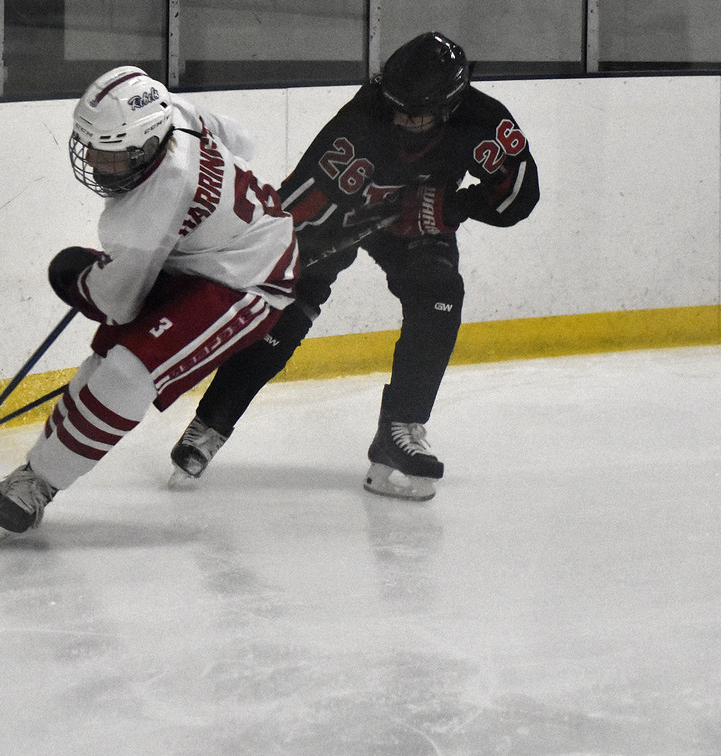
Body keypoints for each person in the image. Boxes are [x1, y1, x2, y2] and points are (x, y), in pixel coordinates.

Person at [168, 31, 540, 500]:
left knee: (440, 293)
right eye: (395, 105)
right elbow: (298, 205)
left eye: (416, 113)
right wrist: (259, 263)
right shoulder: (362, 121)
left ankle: (400, 429)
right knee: (285, 303)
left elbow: (520, 193)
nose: (400, 118)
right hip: (343, 215)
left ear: (450, 106)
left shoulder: (484, 121)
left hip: (419, 222)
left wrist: (453, 205)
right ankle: (211, 423)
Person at [0, 66, 299, 537]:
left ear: (147, 145)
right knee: (105, 365)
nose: (98, 165)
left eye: (112, 157)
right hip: (197, 258)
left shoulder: (146, 213)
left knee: (128, 372)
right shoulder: (177, 114)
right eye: (94, 150)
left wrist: (77, 279)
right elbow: (242, 142)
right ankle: (31, 478)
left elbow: (117, 304)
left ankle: (35, 487)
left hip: (252, 277)